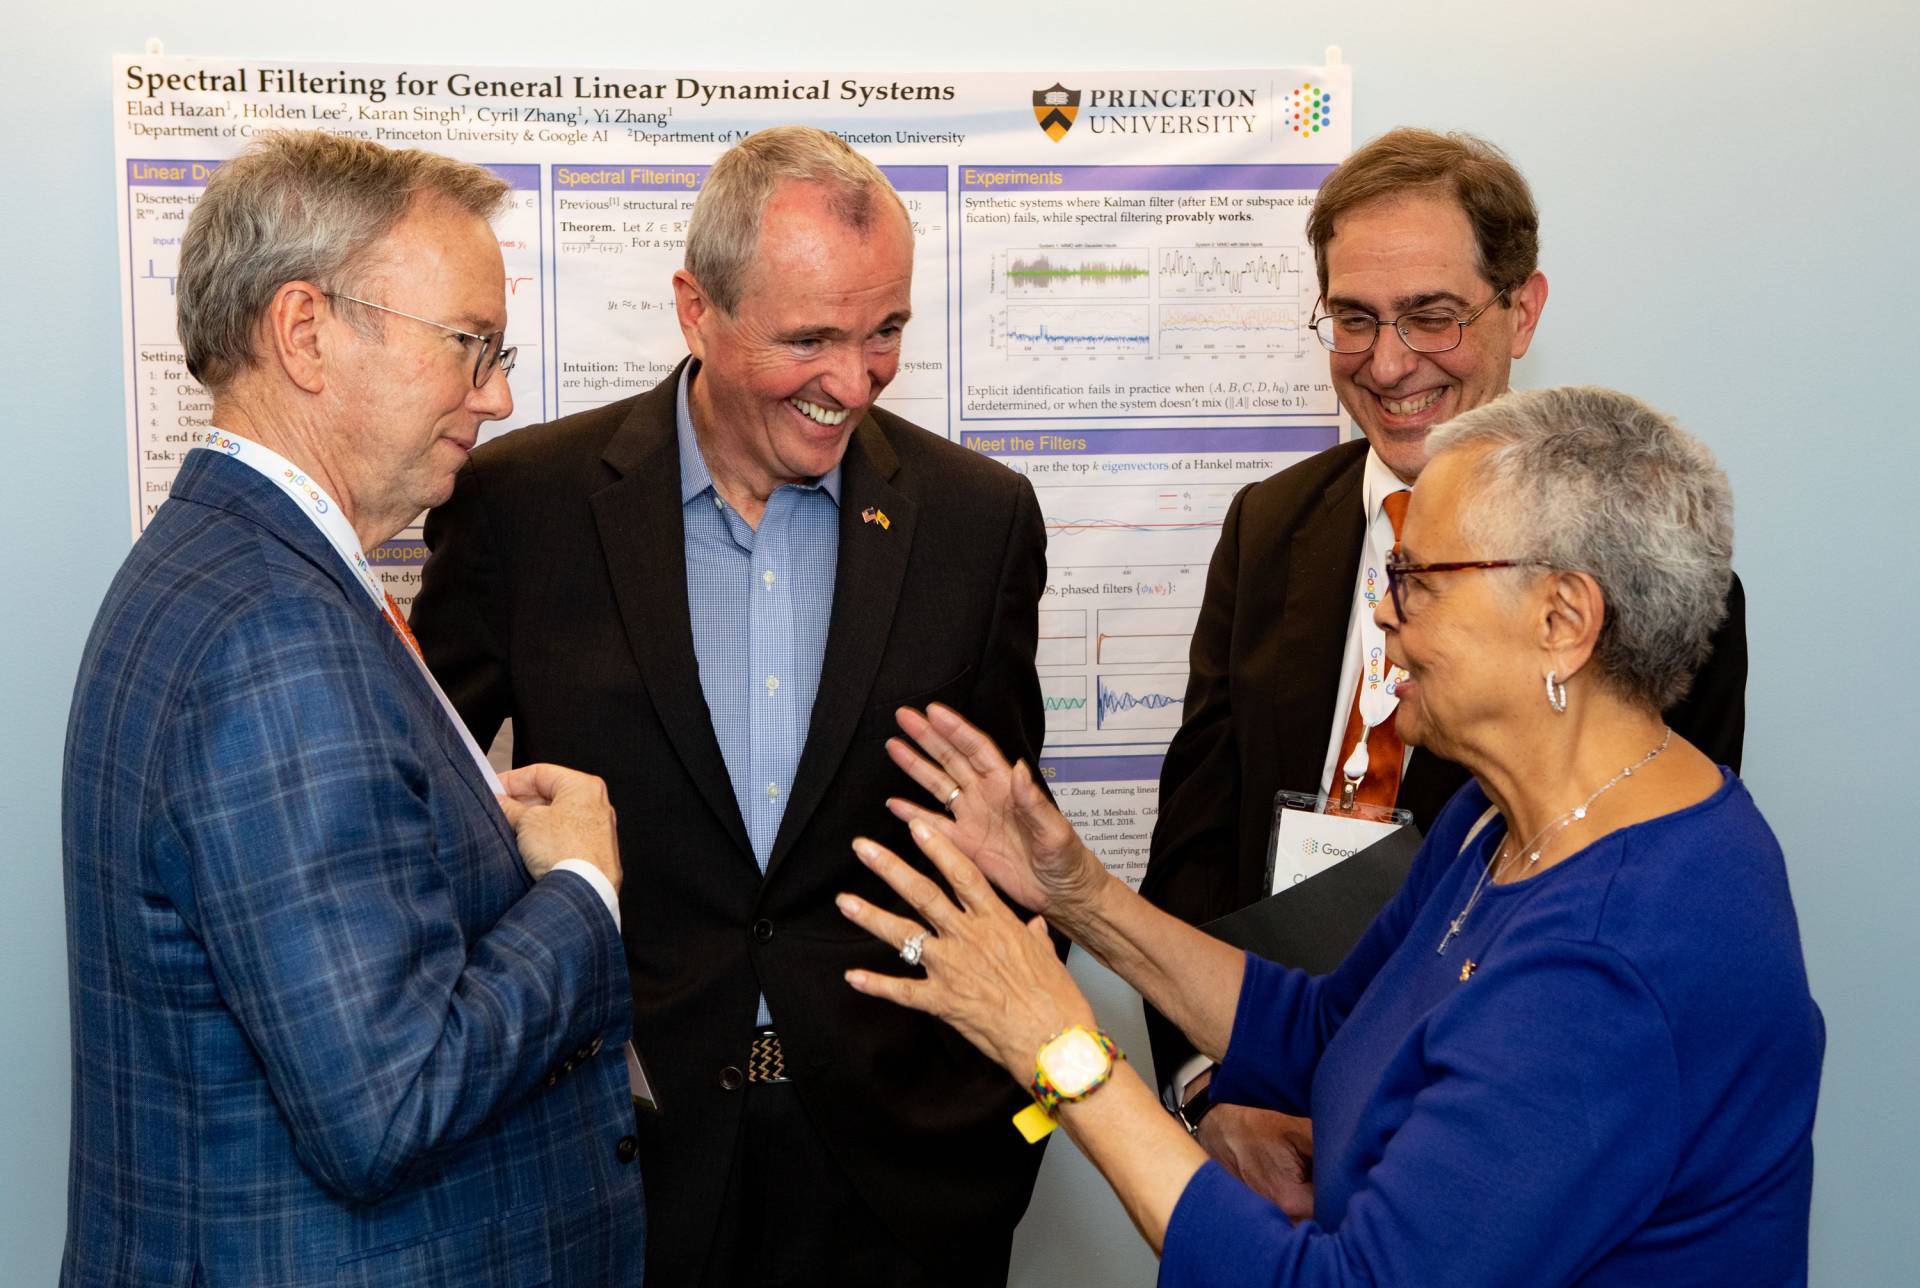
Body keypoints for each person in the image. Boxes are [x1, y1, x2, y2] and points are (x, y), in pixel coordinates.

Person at [840, 386, 1823, 1285]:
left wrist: (1062, 1051)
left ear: (1563, 619)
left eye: (1418, 577)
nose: (1384, 612)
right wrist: (1079, 896)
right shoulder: (1506, 822)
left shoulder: (1611, 962)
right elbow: (1323, 1032)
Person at [410, 125, 1051, 1287]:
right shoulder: (523, 507)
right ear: (695, 309)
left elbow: (1007, 843)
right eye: (809, 338)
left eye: (886, 333)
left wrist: (992, 1135)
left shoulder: (978, 519)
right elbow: (422, 807)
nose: (852, 384)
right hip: (617, 1150)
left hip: (894, 1171)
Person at [61, 132, 644, 1287]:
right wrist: (581, 888)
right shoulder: (272, 634)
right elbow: (391, 1100)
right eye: (470, 345)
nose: (501, 393)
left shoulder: (233, 565)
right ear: (306, 333)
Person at [1138, 129, 1750, 1200]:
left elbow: (1626, 923)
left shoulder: (1634, 574)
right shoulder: (1268, 526)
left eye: (1432, 314)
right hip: (1253, 1137)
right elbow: (1193, 845)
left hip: (1484, 1157)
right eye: (1354, 318)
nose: (1387, 362)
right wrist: (1207, 1089)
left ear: (1523, 309)